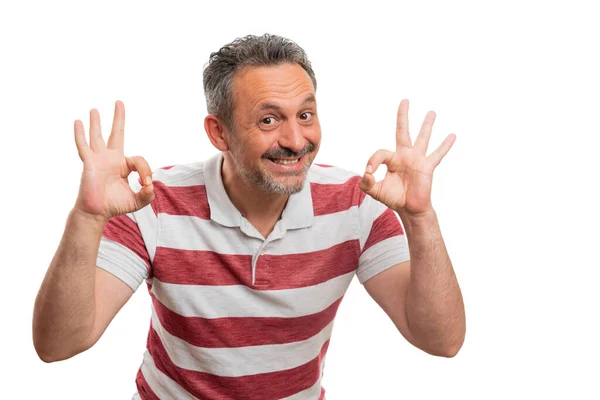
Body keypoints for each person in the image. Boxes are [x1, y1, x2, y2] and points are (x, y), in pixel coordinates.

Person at [32, 34, 465, 399]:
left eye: (306, 115)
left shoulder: (357, 202)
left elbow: (441, 341)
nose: (296, 140)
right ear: (219, 132)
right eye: (269, 119)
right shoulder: (154, 204)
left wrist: (420, 217)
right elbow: (58, 345)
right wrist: (87, 218)